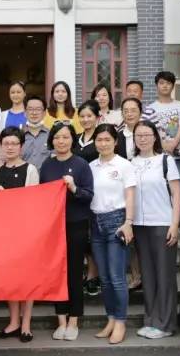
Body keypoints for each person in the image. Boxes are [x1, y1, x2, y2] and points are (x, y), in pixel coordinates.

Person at [39, 122, 93, 342]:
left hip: (76, 224)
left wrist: (74, 188)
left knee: (73, 272)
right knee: (56, 273)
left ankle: (73, 320)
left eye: (65, 137)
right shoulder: (47, 165)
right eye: (57, 137)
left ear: (72, 140)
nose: (61, 141)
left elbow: (89, 195)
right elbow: (41, 197)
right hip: (53, 227)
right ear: (51, 140)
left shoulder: (81, 164)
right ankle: (60, 320)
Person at [132, 121, 180, 339]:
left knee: (164, 275)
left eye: (146, 134)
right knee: (148, 275)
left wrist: (175, 224)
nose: (142, 139)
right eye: (138, 135)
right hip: (139, 225)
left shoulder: (165, 161)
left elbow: (177, 194)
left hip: (162, 223)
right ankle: (151, 320)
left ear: (155, 137)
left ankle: (165, 324)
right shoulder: (131, 163)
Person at [89, 124, 136, 345]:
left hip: (117, 222)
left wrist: (128, 222)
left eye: (107, 139)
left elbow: (130, 195)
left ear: (115, 142)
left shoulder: (124, 165)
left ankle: (120, 321)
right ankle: (110, 318)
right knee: (105, 278)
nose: (103, 143)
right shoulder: (91, 166)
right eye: (99, 140)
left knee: (117, 278)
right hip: (96, 223)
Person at [0, 127, 39, 343]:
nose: (10, 147)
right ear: (1, 146)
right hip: (2, 233)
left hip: (25, 232)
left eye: (14, 143)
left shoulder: (30, 170)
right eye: (6, 143)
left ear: (21, 146)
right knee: (9, 278)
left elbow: (34, 202)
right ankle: (13, 322)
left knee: (27, 278)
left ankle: (26, 323)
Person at [148, 71, 180, 230]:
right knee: (162, 193)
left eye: (168, 83)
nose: (164, 86)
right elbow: (151, 130)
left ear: (172, 86)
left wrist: (173, 144)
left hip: (177, 157)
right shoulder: (151, 108)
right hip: (158, 157)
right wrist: (163, 145)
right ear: (156, 85)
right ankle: (166, 225)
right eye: (161, 83)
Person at [116, 97, 145, 292]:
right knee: (131, 235)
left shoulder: (147, 132)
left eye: (133, 110)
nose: (129, 113)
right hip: (125, 189)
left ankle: (148, 275)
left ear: (140, 112)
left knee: (145, 234)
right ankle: (135, 276)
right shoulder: (118, 136)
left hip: (146, 188)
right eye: (125, 110)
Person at [74, 100, 102, 296]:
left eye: (89, 116)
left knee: (94, 235)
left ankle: (94, 275)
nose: (85, 119)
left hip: (98, 191)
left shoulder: (102, 138)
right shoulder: (76, 139)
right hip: (78, 193)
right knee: (83, 235)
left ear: (97, 117)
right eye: (82, 116)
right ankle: (89, 273)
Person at [21, 95, 51, 172]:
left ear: (44, 113)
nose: (34, 113)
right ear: (25, 112)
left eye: (38, 109)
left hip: (46, 178)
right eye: (30, 109)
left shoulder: (51, 135)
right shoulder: (18, 136)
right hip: (24, 177)